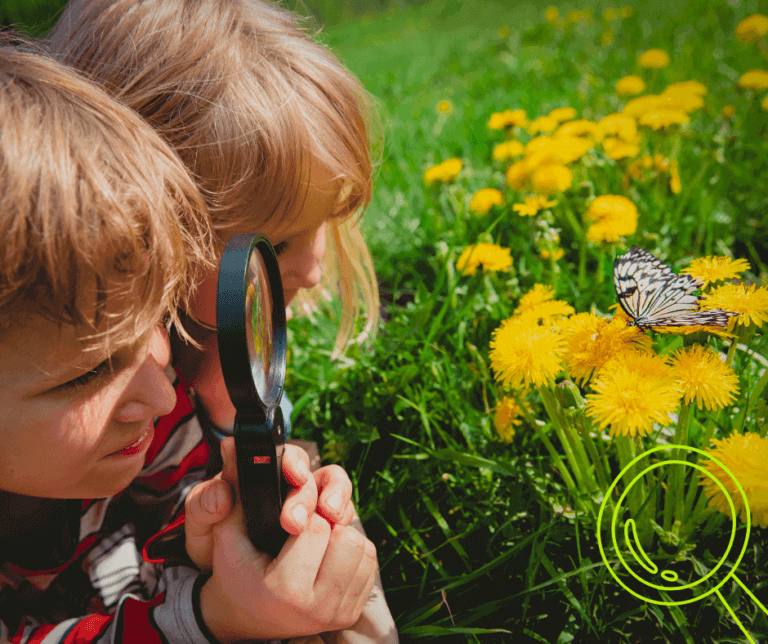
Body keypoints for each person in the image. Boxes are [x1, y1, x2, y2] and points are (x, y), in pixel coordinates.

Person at [0, 39, 378, 644]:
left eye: (158, 322)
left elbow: (163, 514)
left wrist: (221, 529)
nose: (160, 390)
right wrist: (210, 617)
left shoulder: (152, 408)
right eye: (86, 372)